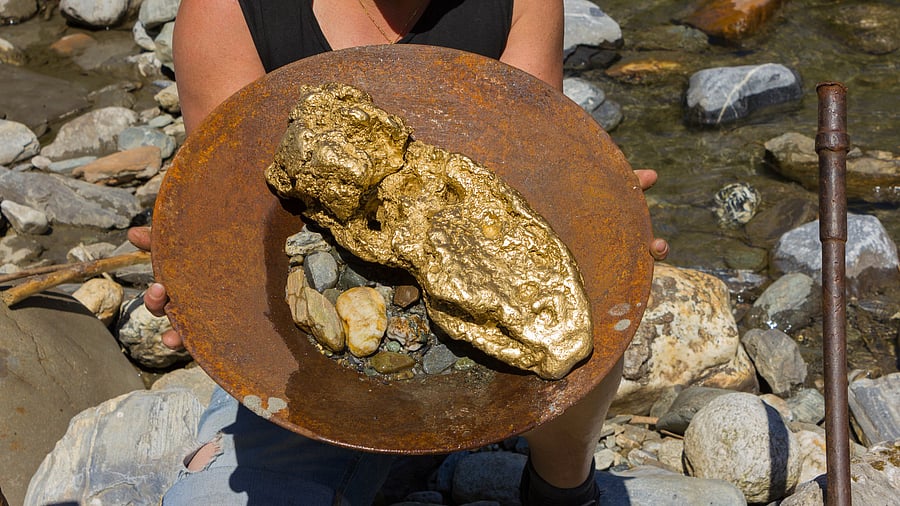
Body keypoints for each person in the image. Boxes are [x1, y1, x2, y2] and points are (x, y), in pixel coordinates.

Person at [127, 0, 669, 504]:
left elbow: (531, 158)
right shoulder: (229, 9)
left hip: (482, 359)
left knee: (589, 328)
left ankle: (562, 484)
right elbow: (234, 206)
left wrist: (604, 218)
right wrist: (201, 285)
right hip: (305, 363)